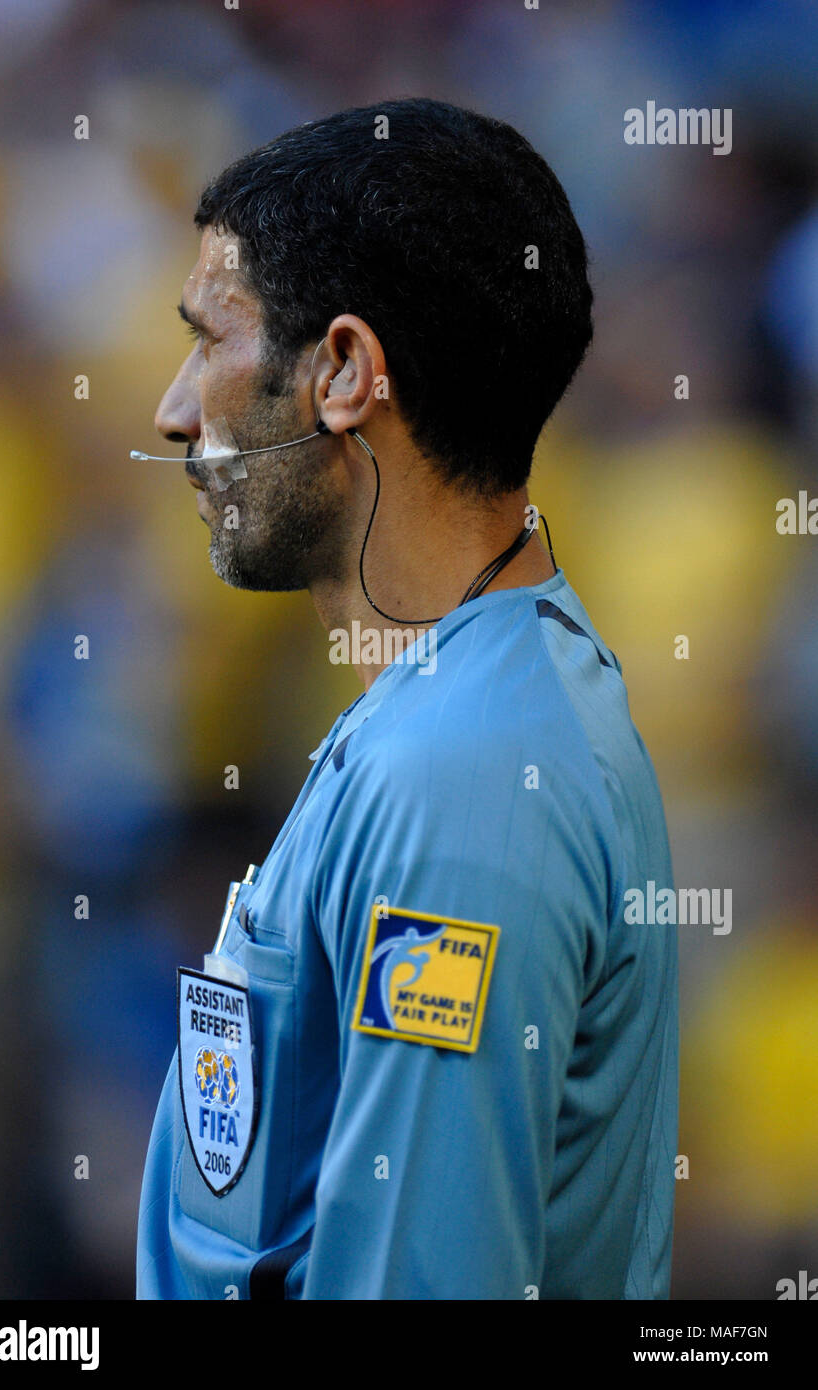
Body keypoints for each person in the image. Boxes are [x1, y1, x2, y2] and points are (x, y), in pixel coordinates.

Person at [136, 97, 678, 1300]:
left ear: (342, 371)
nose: (174, 411)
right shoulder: (453, 708)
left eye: (210, 340)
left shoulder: (466, 772)